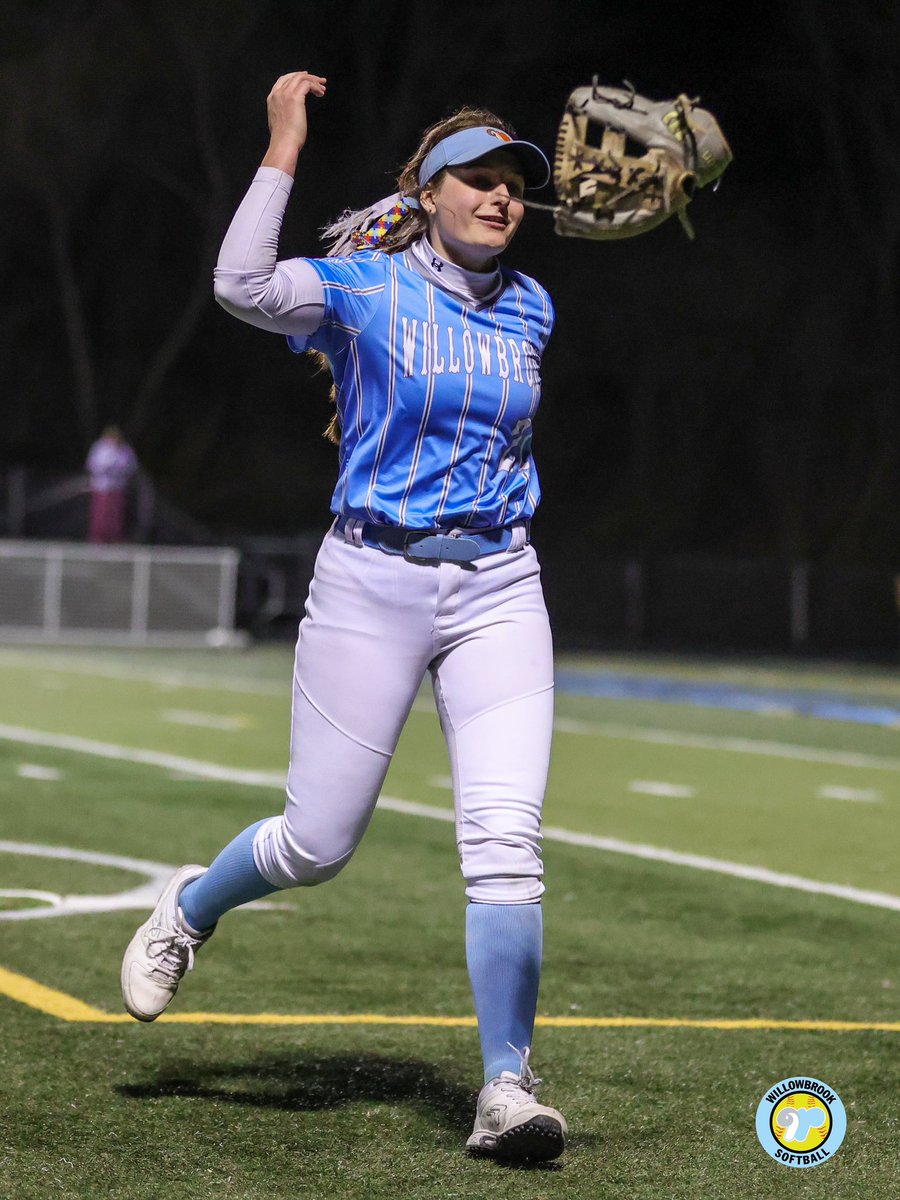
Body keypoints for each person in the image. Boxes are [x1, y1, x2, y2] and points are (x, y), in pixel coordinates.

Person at [121, 71, 566, 1163]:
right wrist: (282, 145)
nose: (503, 197)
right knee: (316, 843)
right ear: (427, 190)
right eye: (480, 179)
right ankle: (188, 909)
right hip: (373, 579)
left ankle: (506, 1089)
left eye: (516, 183)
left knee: (506, 849)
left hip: (502, 585)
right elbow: (236, 283)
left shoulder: (534, 306)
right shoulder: (366, 288)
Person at [85, 425, 138, 543]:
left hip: (117, 486)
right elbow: (92, 464)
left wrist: (119, 469)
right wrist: (106, 468)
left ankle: (115, 538)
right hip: (101, 486)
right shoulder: (99, 447)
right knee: (100, 514)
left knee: (115, 515)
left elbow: (132, 466)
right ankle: (98, 538)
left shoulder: (125, 449)